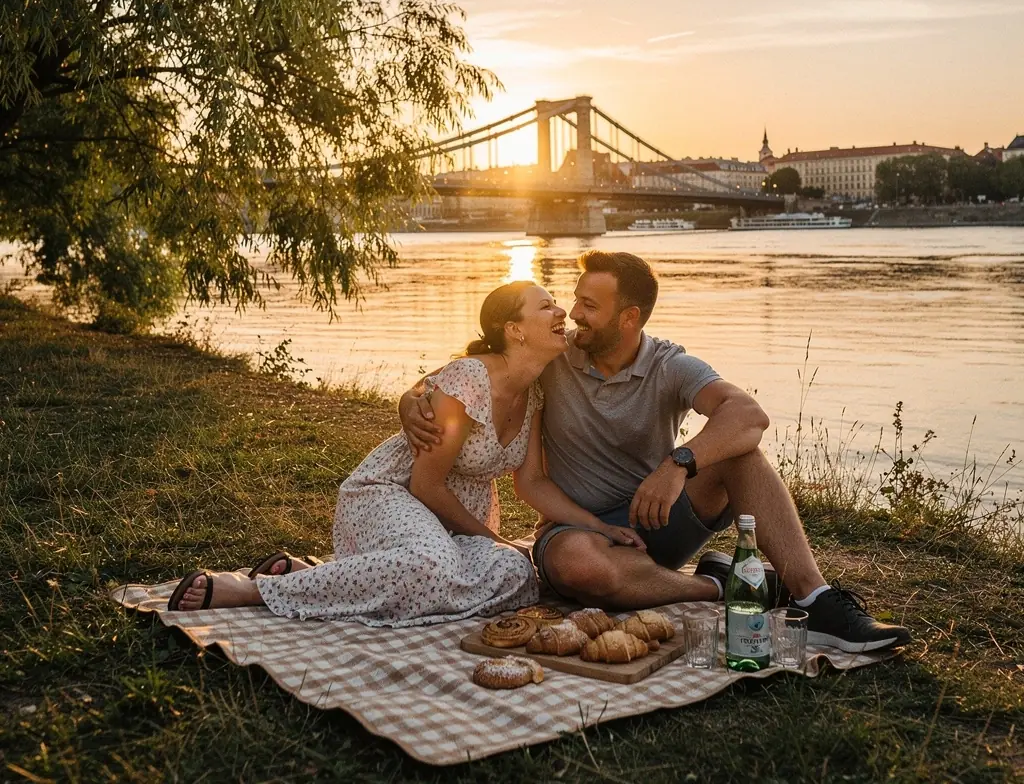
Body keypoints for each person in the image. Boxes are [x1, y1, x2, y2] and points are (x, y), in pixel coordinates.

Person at [401, 250, 911, 653]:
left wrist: (678, 463)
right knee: (582, 569)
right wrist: (411, 400)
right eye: (574, 300)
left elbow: (749, 416)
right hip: (578, 531)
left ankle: (816, 600)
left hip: (658, 517)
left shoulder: (670, 365)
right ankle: (728, 587)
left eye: (589, 307)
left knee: (742, 455)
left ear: (629, 318)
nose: (573, 314)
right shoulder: (554, 354)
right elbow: (461, 377)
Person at [167, 280, 643, 624]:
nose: (561, 312)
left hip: (455, 515)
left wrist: (598, 526)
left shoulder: (534, 393)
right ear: (514, 330)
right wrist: (492, 538)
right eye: (545, 307)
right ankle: (257, 590)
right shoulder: (468, 379)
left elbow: (532, 482)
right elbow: (426, 483)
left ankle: (329, 576)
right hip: (396, 495)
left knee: (518, 574)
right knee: (432, 566)